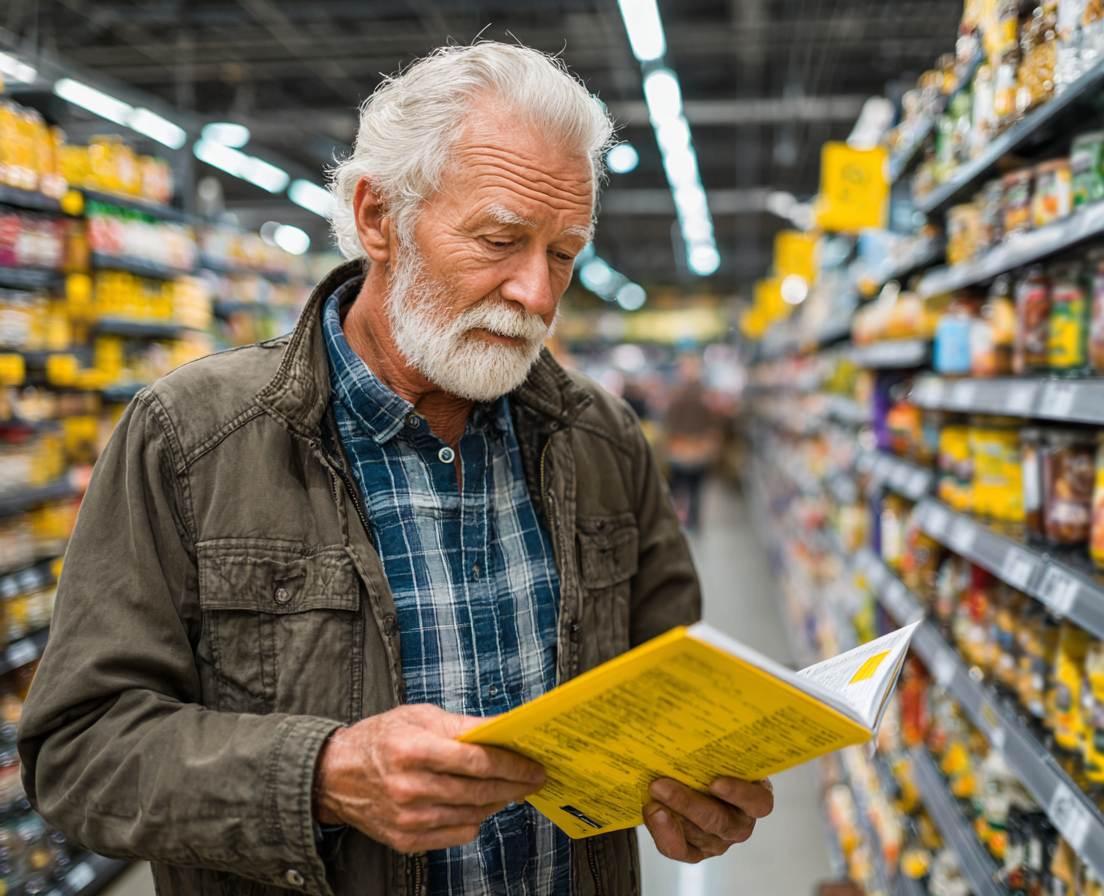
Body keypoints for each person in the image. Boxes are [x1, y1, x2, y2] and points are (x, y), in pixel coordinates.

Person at [18, 44, 772, 896]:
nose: (536, 292)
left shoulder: (603, 442)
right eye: (500, 238)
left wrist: (695, 788)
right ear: (378, 218)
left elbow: (675, 692)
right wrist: (319, 775)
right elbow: (80, 750)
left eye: (564, 253)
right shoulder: (190, 440)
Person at [663, 357, 723, 530]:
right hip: (690, 448)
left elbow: (669, 422)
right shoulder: (705, 397)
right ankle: (690, 519)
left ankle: (680, 518)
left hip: (686, 448)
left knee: (682, 487)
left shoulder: (678, 396)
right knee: (690, 487)